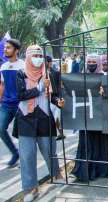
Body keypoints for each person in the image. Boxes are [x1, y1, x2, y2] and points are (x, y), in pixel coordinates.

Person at [15, 45, 64, 201]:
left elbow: (54, 95)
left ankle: (56, 175)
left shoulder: (48, 74)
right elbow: (21, 95)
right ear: (28, 57)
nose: (38, 58)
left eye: (40, 55)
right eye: (34, 55)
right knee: (27, 156)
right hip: (25, 119)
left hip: (44, 118)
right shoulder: (20, 74)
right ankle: (30, 188)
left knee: (49, 150)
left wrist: (58, 101)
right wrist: (40, 87)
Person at [71, 53, 108, 181]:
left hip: (99, 115)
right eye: (90, 62)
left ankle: (100, 170)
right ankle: (84, 171)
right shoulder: (82, 76)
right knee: (86, 142)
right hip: (86, 115)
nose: (91, 64)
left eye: (94, 62)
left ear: (98, 63)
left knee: (99, 142)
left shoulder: (104, 77)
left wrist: (104, 92)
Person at [0, 39, 23, 168]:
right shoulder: (3, 66)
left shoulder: (23, 65)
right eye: (5, 48)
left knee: (22, 133)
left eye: (8, 48)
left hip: (21, 104)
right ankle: (15, 153)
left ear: (16, 50)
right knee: (0, 128)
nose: (5, 50)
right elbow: (2, 85)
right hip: (6, 104)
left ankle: (25, 157)